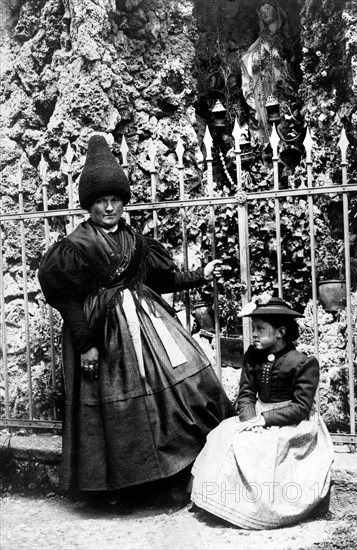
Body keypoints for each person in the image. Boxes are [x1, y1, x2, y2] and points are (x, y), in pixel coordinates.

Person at [38, 134, 234, 504]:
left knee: (188, 381)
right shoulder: (76, 247)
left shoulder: (135, 241)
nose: (108, 208)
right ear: (89, 206)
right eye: (100, 202)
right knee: (119, 405)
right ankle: (119, 488)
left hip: (146, 325)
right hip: (102, 334)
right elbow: (68, 303)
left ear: (124, 202)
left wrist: (200, 274)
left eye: (115, 200)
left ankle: (177, 474)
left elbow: (163, 279)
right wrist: (87, 346)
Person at [190, 295, 334, 530]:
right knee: (222, 435)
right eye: (253, 328)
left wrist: (265, 420)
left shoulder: (303, 363)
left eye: (259, 329)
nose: (253, 334)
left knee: (264, 446)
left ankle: (261, 511)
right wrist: (251, 419)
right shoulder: (252, 356)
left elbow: (300, 408)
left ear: (280, 332)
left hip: (293, 423)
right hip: (258, 416)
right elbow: (246, 394)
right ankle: (223, 504)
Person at [241, 1, 301, 144]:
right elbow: (246, 59)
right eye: (261, 11)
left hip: (283, 87)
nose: (264, 12)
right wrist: (262, 55)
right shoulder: (262, 39)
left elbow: (293, 59)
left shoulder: (288, 35)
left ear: (277, 10)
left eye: (267, 8)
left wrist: (282, 58)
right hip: (265, 86)